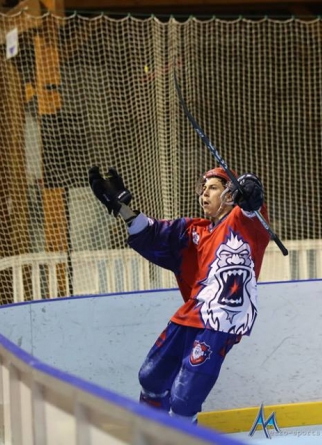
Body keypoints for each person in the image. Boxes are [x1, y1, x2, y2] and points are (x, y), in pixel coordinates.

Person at [88, 165, 269, 423]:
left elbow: (254, 207)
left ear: (230, 195)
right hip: (192, 314)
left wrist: (251, 188)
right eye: (203, 189)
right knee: (151, 378)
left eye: (213, 188)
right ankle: (151, 437)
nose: (204, 194)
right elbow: (153, 233)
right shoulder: (194, 230)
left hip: (220, 321)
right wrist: (123, 210)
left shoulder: (242, 222)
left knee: (184, 399)